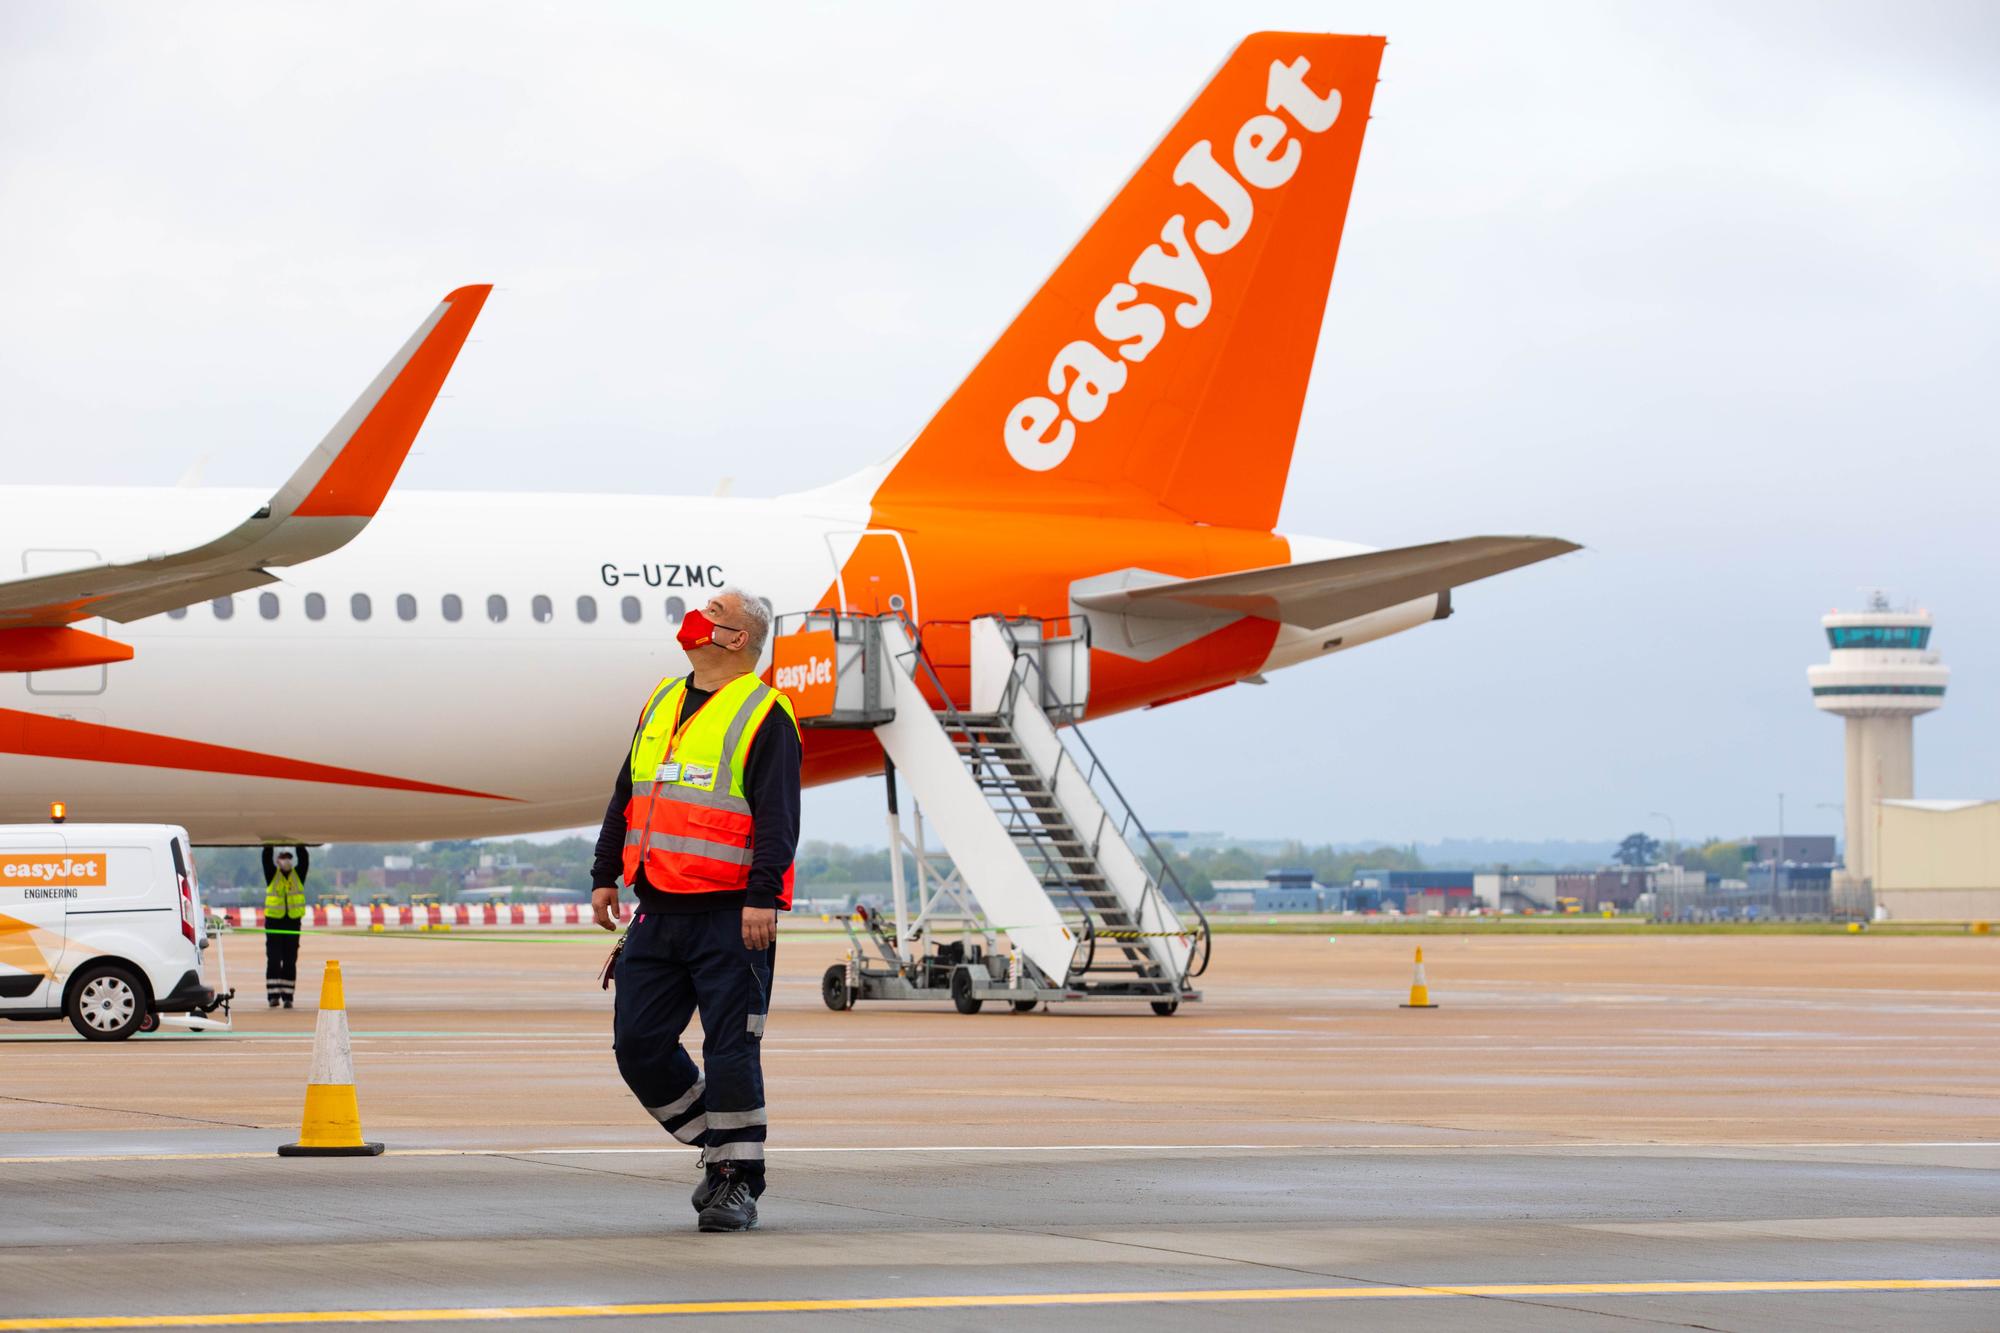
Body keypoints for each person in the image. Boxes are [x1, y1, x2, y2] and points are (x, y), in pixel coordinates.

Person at [591, 587, 801, 1233]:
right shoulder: (662, 701)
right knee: (638, 1044)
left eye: (713, 613)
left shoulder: (766, 713)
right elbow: (628, 789)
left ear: (737, 639)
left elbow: (778, 815)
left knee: (731, 1049)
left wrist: (763, 896)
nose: (697, 618)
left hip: (732, 913)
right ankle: (721, 1141)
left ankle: (737, 1180)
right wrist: (604, 873)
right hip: (657, 908)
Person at [262, 844, 309, 1008]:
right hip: (274, 922)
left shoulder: (298, 875)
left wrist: (300, 847)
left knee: (290, 960)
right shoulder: (272, 875)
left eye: (289, 858)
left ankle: (288, 996)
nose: (286, 861)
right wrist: (268, 847)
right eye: (283, 858)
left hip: (293, 922)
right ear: (277, 860)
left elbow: (304, 860)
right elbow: (265, 859)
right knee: (274, 959)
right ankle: (273, 995)